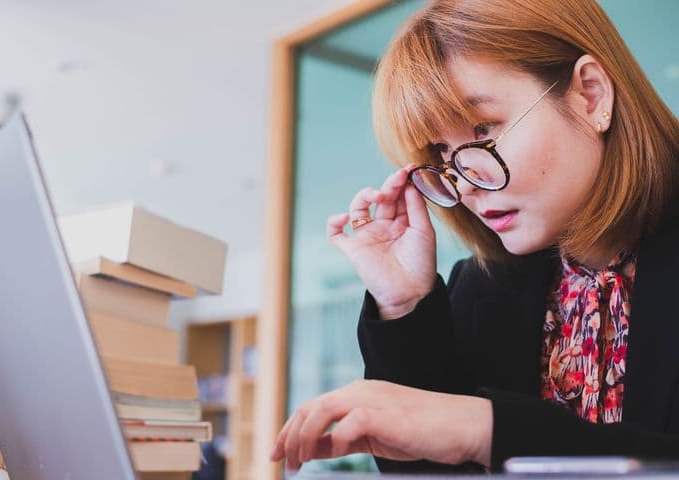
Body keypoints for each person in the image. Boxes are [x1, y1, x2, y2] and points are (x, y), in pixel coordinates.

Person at [270, 0, 679, 474]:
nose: (462, 182)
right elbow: (427, 472)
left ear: (590, 96)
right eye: (442, 150)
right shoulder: (484, 285)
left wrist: (485, 429)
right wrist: (404, 306)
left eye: (484, 130)